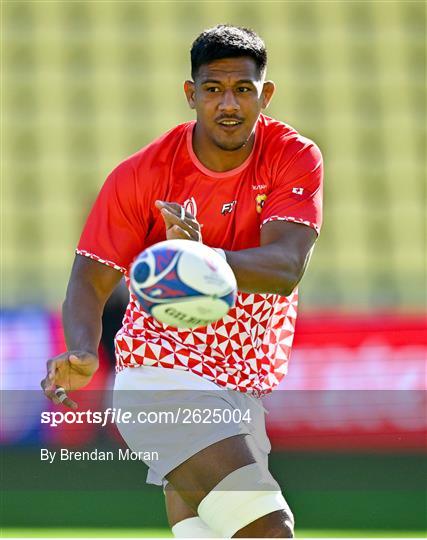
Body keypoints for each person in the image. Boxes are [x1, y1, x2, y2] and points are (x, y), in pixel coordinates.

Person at [41, 24, 323, 538]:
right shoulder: (143, 174)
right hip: (161, 381)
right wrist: (83, 349)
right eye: (213, 90)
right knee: (269, 530)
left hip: (240, 387)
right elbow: (89, 276)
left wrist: (196, 259)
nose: (228, 104)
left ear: (267, 94)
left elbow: (285, 269)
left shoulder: (292, 156)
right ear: (191, 94)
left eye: (243, 89)